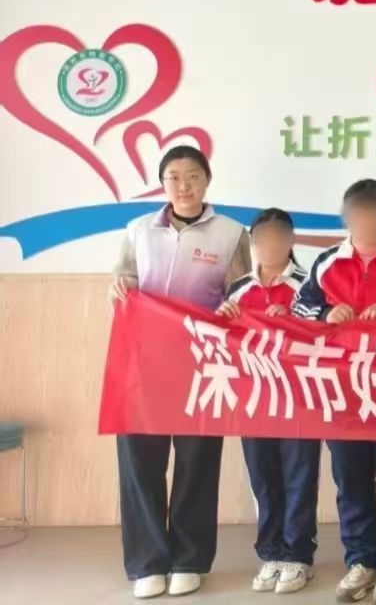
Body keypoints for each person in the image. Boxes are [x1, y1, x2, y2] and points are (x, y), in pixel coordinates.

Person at [108, 145, 252, 599]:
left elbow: (242, 293)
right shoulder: (138, 230)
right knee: (140, 463)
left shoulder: (231, 233)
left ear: (207, 180)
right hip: (144, 365)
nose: (183, 186)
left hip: (202, 366)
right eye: (173, 177)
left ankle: (190, 558)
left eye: (192, 176)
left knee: (197, 462)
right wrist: (119, 288)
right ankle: (147, 562)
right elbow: (124, 283)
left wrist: (234, 309)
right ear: (162, 183)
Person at [292, 179, 376, 605]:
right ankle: (362, 561)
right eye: (360, 213)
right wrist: (325, 312)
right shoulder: (327, 262)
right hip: (343, 390)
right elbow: (298, 309)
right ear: (346, 217)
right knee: (351, 480)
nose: (368, 220)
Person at [217, 209, 319, 595]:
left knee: (299, 476)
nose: (271, 245)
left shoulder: (309, 285)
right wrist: (224, 318)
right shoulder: (238, 288)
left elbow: (322, 337)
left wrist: (292, 319)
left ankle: (298, 555)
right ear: (253, 243)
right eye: (263, 239)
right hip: (255, 399)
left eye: (279, 237)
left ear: (291, 241)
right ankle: (271, 552)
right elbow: (225, 343)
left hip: (299, 399)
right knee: (264, 478)